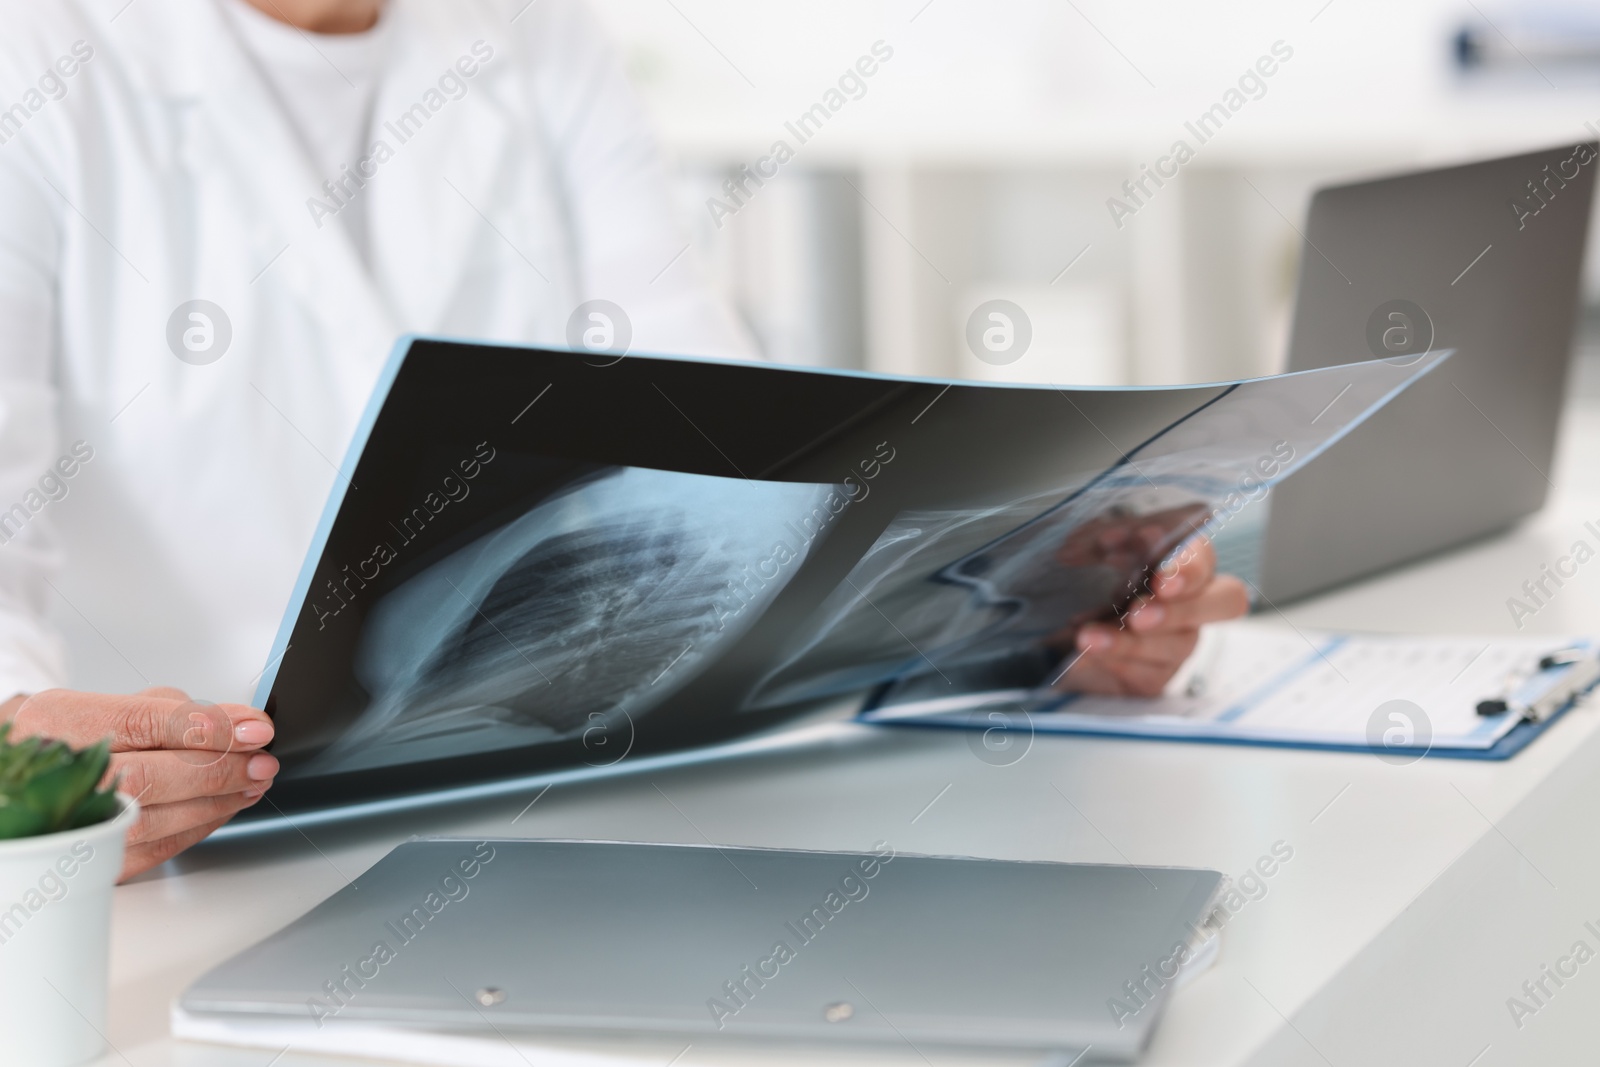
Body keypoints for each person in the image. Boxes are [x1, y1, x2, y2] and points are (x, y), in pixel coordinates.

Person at [0, 0, 1248, 879]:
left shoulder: (533, 32)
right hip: (185, 857)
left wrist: (1027, 624)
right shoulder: (36, 58)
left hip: (541, 804)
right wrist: (25, 759)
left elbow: (719, 433)